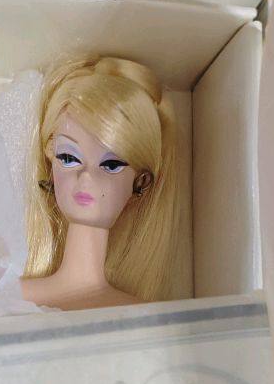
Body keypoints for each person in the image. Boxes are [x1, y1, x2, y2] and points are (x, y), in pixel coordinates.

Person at [21, 55, 179, 310]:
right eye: (68, 158)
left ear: (140, 182)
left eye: (111, 165)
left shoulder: (141, 316)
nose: (86, 177)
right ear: (51, 167)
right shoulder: (9, 300)